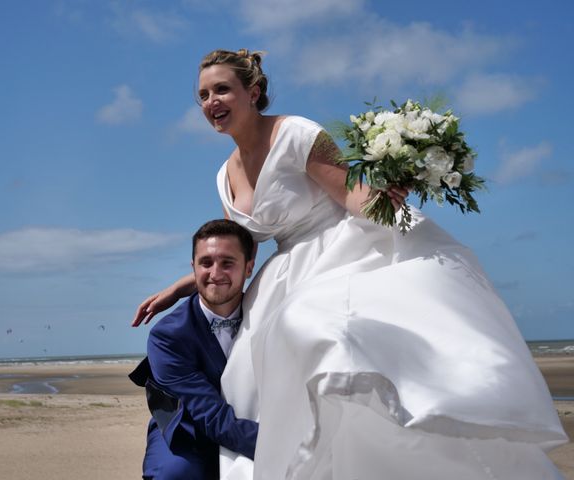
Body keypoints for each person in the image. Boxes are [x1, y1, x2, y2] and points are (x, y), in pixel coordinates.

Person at [133, 49, 568, 479]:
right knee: (271, 382)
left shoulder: (296, 133)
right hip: (283, 272)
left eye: (222, 90)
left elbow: (349, 195)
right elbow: (238, 248)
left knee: (322, 333)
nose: (212, 102)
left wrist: (392, 198)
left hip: (340, 250)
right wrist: (184, 285)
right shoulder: (223, 174)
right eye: (204, 94)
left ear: (254, 91)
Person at [130, 219, 259, 479]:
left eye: (227, 263)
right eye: (206, 263)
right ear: (193, 267)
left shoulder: (268, 311)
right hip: (189, 428)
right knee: (174, 474)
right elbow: (211, 417)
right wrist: (280, 444)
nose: (215, 273)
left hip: (252, 417)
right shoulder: (167, 337)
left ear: (248, 268)